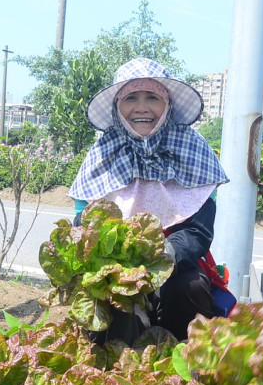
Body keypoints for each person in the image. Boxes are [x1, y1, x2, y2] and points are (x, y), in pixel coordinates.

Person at [68, 58, 231, 344]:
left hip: (174, 261)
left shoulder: (194, 150)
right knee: (116, 301)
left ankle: (182, 356)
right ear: (118, 105)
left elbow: (198, 232)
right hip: (114, 265)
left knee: (190, 286)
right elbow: (83, 219)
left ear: (167, 104)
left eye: (152, 97)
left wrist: (153, 261)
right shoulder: (102, 152)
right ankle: (118, 364)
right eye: (131, 97)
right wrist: (122, 267)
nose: (141, 107)